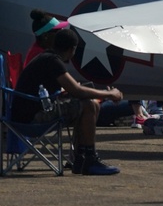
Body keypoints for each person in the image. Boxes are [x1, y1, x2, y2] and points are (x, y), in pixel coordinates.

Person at [12, 28, 122, 175]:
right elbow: (77, 90)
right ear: (72, 49)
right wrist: (110, 94)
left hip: (23, 115)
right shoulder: (53, 61)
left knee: (90, 103)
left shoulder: (46, 57)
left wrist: (99, 93)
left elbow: (72, 88)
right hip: (32, 119)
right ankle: (88, 160)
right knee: (89, 105)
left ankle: (80, 159)